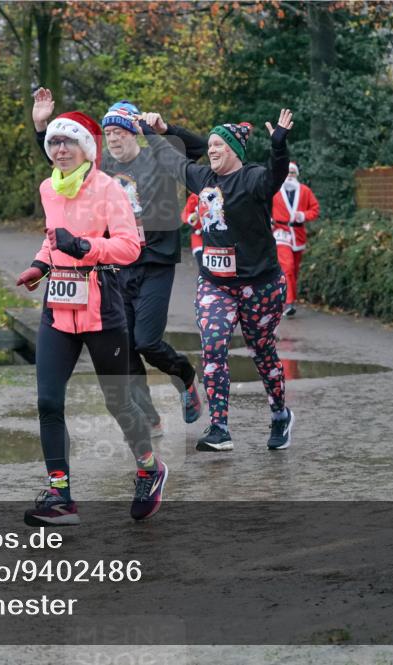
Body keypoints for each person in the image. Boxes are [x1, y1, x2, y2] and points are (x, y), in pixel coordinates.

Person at [14, 110, 167, 526]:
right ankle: (60, 495)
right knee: (48, 399)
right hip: (58, 306)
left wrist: (83, 246)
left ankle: (149, 469)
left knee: (118, 401)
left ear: (86, 148)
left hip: (103, 304)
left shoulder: (108, 189)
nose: (60, 149)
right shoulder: (49, 188)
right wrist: (39, 265)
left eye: (68, 142)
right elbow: (52, 240)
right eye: (54, 143)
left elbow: (130, 247)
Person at [31, 89, 205, 437]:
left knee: (147, 341)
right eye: (108, 134)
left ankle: (185, 377)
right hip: (115, 265)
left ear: (133, 134)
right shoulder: (101, 166)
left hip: (155, 261)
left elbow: (197, 153)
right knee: (124, 348)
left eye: (120, 133)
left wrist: (166, 129)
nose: (113, 139)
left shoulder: (157, 156)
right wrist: (41, 126)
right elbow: (62, 162)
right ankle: (150, 415)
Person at [141, 109, 296, 452]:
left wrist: (279, 146)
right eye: (209, 145)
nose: (211, 150)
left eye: (218, 146)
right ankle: (220, 427)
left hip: (260, 284)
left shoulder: (253, 179)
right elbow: (171, 160)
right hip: (216, 283)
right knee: (212, 345)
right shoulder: (203, 178)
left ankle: (280, 413)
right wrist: (152, 131)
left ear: (234, 152)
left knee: (262, 351)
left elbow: (276, 175)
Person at [271, 162, 320, 316]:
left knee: (295, 270)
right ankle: (288, 302)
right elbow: (263, 206)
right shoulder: (275, 191)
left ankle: (284, 296)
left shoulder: (305, 191)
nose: (290, 176)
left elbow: (315, 209)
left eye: (293, 173)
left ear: (297, 175)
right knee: (288, 267)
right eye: (288, 173)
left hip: (298, 234)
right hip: (280, 232)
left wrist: (303, 215)